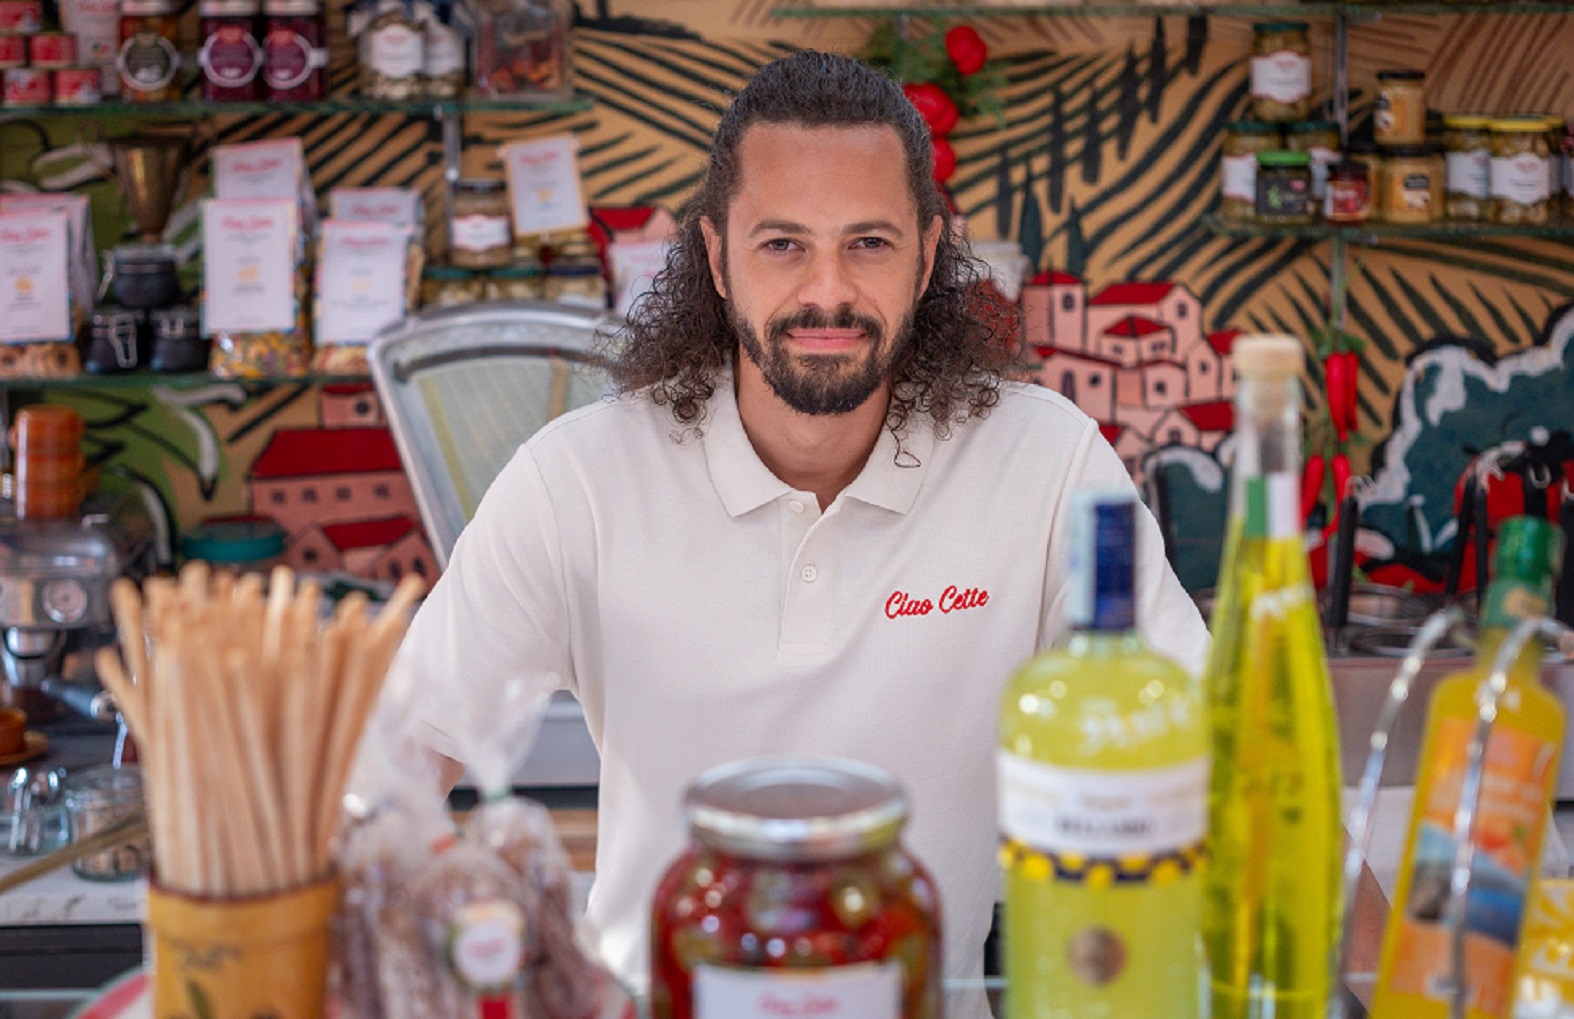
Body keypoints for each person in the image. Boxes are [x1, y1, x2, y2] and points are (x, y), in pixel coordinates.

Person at [389, 48, 1209, 1002]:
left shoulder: (1046, 462)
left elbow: (1200, 746)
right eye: (783, 243)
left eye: (868, 242)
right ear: (716, 257)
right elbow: (399, 764)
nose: (827, 291)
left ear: (929, 254)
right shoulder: (578, 477)